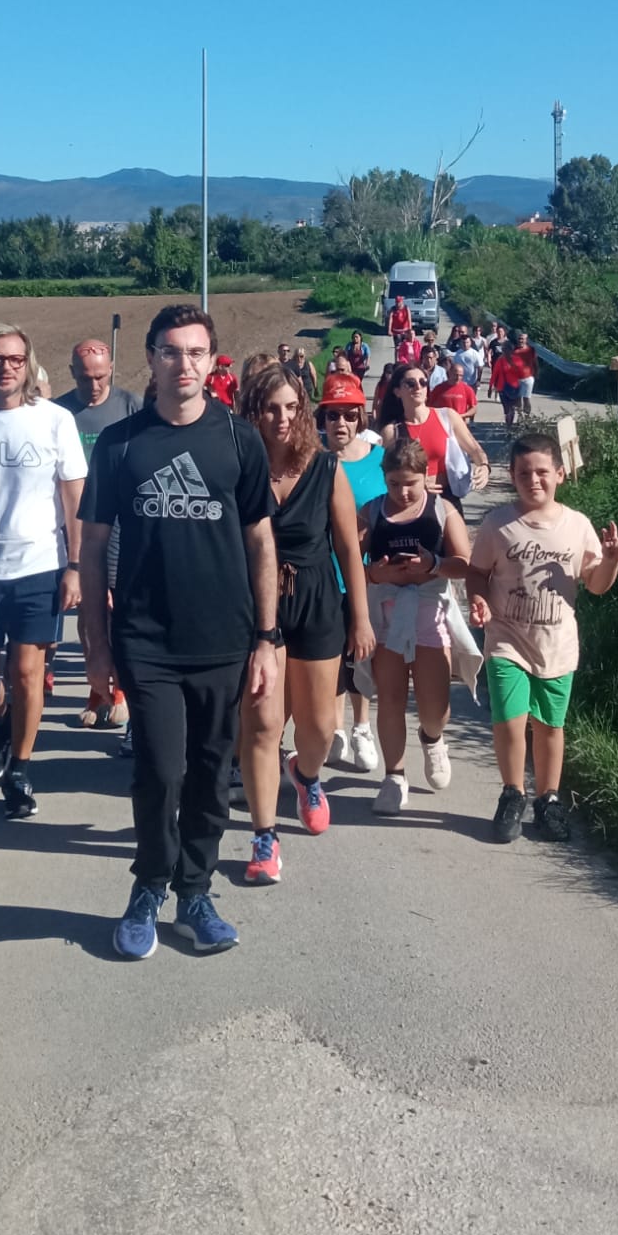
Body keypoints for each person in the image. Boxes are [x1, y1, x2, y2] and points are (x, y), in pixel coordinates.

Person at [79, 303, 279, 959]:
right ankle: (149, 885)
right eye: (171, 351)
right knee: (161, 771)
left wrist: (267, 639)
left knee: (210, 773)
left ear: (211, 361)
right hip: (147, 639)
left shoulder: (239, 440)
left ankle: (195, 894)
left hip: (224, 639)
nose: (183, 364)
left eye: (195, 352)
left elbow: (260, 541)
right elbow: (93, 548)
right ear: (151, 358)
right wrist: (97, 647)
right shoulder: (122, 444)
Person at [235, 364, 374, 883]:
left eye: (292, 408)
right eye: (271, 408)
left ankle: (305, 774)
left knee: (318, 729)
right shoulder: (239, 467)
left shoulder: (326, 468)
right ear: (253, 412)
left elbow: (348, 548)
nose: (282, 418)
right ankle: (264, 836)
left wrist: (360, 618)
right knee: (262, 724)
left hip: (316, 600)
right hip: (258, 608)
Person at [0, 324, 87, 816]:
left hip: (39, 566)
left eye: (15, 359)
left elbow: (74, 497)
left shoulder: (54, 420)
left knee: (28, 671)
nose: (5, 367)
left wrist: (75, 565)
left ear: (28, 365)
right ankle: (3, 720)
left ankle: (21, 771)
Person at [467, 431, 618, 842]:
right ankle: (512, 794)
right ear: (512, 476)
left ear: (560, 474)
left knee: (550, 726)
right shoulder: (498, 524)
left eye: (541, 472)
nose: (533, 480)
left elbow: (596, 585)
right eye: (523, 473)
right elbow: (476, 573)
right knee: (510, 720)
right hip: (507, 640)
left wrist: (610, 560)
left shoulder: (577, 526)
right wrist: (478, 600)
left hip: (556, 645)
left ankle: (548, 800)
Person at [357, 442, 471, 814]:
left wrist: (434, 564)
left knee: (434, 706)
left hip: (429, 611)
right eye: (394, 483)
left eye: (411, 483)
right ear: (384, 479)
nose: (403, 492)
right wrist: (375, 573)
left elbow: (464, 564)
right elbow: (349, 563)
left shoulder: (442, 510)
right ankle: (394, 777)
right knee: (389, 697)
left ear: (426, 476)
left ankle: (432, 737)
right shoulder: (371, 512)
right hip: (386, 614)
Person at [55, 338, 143, 729]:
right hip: (77, 526)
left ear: (111, 371)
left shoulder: (130, 406)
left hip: (122, 526)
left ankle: (120, 692)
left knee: (118, 613)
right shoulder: (58, 413)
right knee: (89, 613)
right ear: (72, 373)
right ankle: (97, 691)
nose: (93, 386)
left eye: (100, 377)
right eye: (84, 378)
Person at [316, 370, 384, 773]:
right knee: (332, 657)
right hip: (323, 577)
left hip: (367, 577)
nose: (340, 423)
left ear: (361, 417)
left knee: (362, 656)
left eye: (349, 415)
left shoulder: (380, 460)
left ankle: (362, 726)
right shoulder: (314, 462)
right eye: (332, 415)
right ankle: (337, 728)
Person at [377, 361, 491, 501]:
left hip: (447, 497)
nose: (418, 387)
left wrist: (484, 466)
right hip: (410, 501)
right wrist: (416, 485)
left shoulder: (448, 417)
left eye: (423, 382)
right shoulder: (392, 431)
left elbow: (474, 449)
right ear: (397, 391)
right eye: (410, 383)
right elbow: (383, 474)